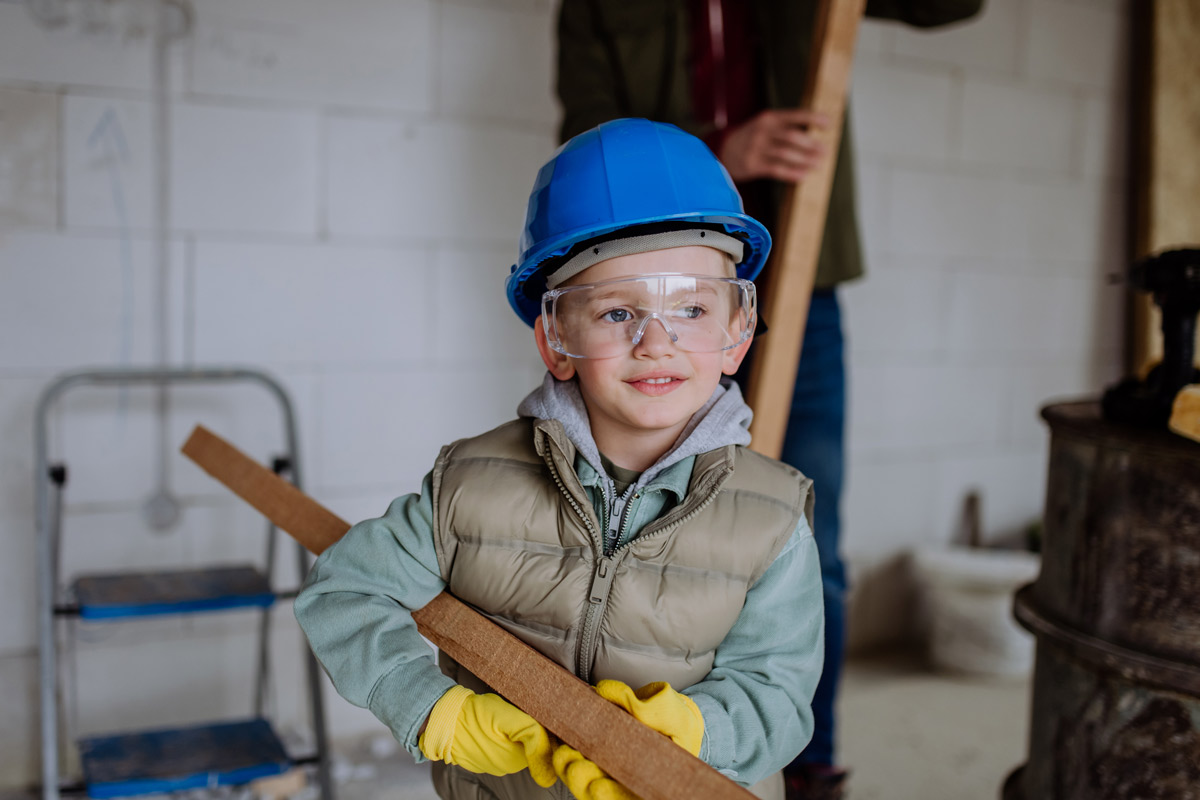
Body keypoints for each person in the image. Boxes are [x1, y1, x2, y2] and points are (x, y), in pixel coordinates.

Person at [294, 117, 824, 800]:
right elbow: (344, 593)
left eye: (692, 309)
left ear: (737, 333)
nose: (656, 342)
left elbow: (777, 694)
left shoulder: (773, 518)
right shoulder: (468, 486)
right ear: (554, 339)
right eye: (614, 313)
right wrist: (436, 712)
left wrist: (691, 732)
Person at [556, 3, 984, 797]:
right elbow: (585, 135)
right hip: (660, 284)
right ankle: (660, 750)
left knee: (807, 541)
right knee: (642, 527)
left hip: (802, 274)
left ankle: (811, 767)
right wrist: (723, 150)